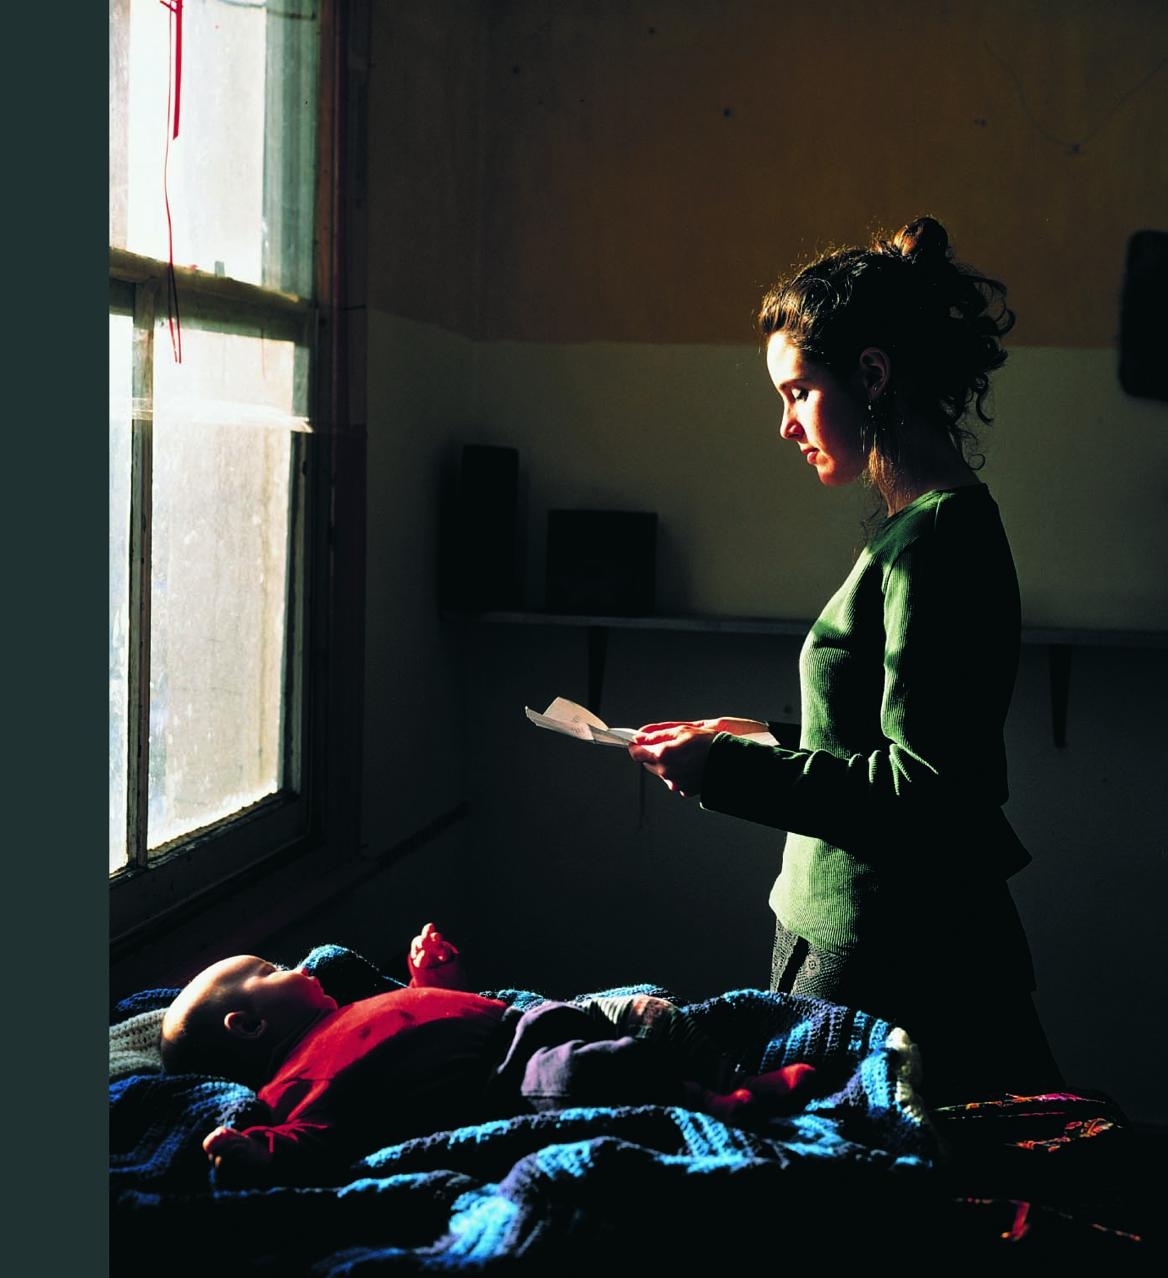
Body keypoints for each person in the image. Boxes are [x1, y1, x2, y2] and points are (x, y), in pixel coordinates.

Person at [628, 215, 1062, 1106]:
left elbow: (929, 792)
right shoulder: (912, 533)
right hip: (843, 935)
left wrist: (729, 771)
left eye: (797, 392)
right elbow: (884, 736)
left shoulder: (940, 542)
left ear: (871, 374)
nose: (786, 425)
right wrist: (761, 737)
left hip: (890, 957)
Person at [160, 923, 817, 1184]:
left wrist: (430, 982)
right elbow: (311, 1141)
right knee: (599, 1069)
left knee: (646, 1011)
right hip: (513, 1077)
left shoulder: (348, 1008)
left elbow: (424, 1016)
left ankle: (735, 1076)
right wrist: (252, 1153)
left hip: (530, 1021)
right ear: (248, 1025)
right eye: (272, 970)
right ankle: (719, 1106)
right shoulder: (296, 1082)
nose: (300, 966)